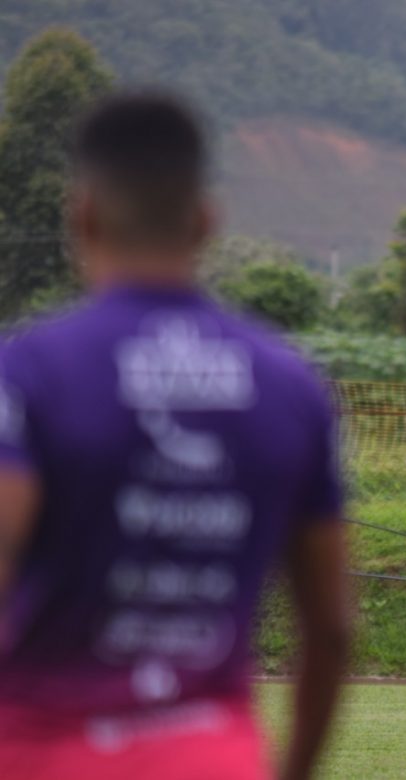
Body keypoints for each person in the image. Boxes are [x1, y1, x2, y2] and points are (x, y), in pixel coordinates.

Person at [0, 92, 350, 779]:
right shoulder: (290, 384)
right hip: (214, 757)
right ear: (204, 221)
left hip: (43, 753)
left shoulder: (29, 371)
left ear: (84, 214)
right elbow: (332, 631)